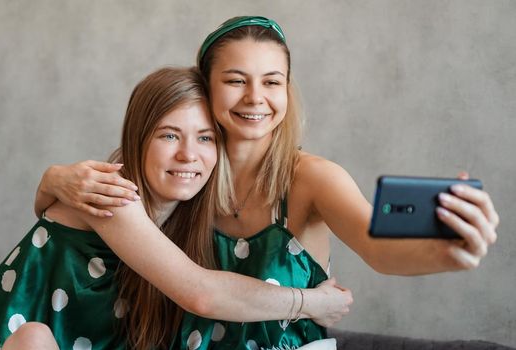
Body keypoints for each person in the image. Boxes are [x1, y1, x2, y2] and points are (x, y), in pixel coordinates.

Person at [35, 16, 500, 349]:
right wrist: (55, 176)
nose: (256, 98)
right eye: (236, 81)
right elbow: (83, 213)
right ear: (207, 88)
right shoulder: (186, 171)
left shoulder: (311, 177)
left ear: (287, 90)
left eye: (273, 82)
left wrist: (446, 253)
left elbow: (379, 249)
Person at [0, 66, 352, 350]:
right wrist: (312, 302)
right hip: (9, 340)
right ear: (139, 139)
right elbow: (201, 293)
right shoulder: (116, 195)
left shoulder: (190, 210)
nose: (188, 155)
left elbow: (222, 286)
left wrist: (50, 180)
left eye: (205, 138)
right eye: (169, 135)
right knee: (35, 340)